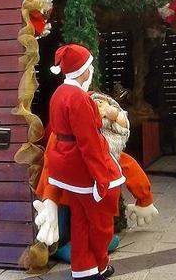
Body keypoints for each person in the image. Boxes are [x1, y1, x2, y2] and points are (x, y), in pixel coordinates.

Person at [32, 44, 125, 280]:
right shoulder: (79, 98)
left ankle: (84, 270)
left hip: (66, 168)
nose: (91, 69)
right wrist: (101, 178)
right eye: (89, 65)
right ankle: (101, 266)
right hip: (83, 170)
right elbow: (89, 143)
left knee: (80, 220)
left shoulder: (59, 93)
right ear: (82, 70)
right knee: (101, 223)